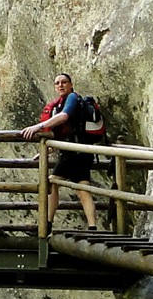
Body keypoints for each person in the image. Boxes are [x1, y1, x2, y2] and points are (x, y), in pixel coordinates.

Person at [20, 73, 101, 231]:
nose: (60, 85)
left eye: (64, 82)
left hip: (75, 152)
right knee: (81, 188)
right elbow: (67, 133)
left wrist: (38, 127)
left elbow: (64, 117)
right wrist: (48, 151)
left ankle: (46, 224)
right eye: (57, 83)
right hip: (79, 151)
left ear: (71, 84)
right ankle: (92, 227)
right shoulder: (65, 101)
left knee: (54, 183)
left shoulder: (71, 98)